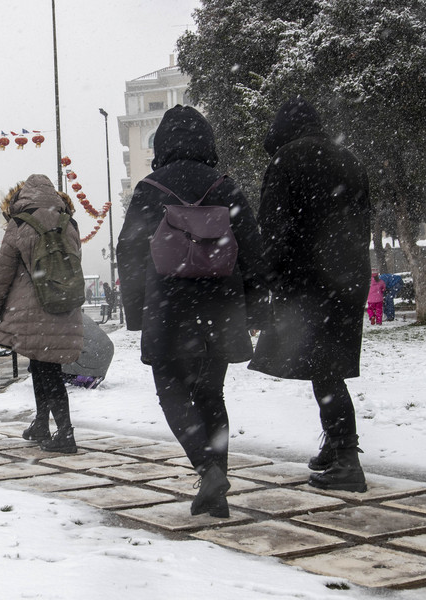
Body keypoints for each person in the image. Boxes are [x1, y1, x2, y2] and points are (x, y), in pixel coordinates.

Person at [117, 105, 269, 518]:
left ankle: (206, 470)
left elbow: (128, 252)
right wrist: (254, 307)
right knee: (211, 393)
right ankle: (216, 482)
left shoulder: (150, 188)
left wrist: (137, 313)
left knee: (171, 392)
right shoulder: (225, 186)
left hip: (168, 306)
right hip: (219, 306)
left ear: (162, 143)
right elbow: (253, 249)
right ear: (207, 140)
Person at [248, 97, 371, 493]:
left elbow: (274, 226)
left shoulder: (287, 159)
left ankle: (346, 460)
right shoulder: (349, 159)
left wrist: (267, 278)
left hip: (308, 280)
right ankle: (336, 448)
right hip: (348, 276)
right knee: (328, 367)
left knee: (325, 370)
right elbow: (363, 220)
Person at [0, 174, 85, 453]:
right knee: (41, 367)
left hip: (33, 310)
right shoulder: (69, 223)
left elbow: (2, 275)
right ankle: (41, 423)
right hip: (63, 305)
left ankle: (65, 434)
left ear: (20, 198)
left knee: (47, 370)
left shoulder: (19, 224)